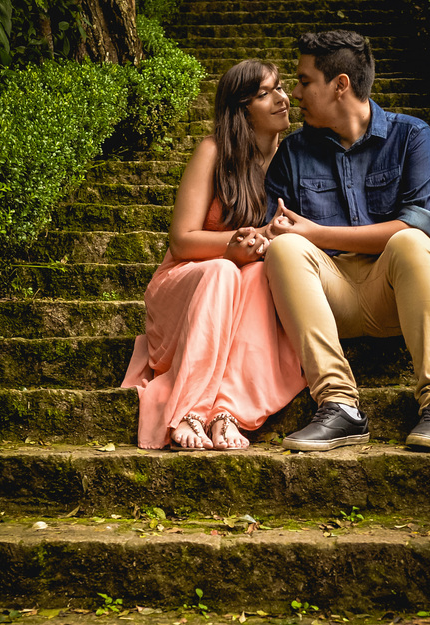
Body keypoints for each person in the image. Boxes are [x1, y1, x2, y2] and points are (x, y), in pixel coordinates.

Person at [262, 29, 430, 452]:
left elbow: (415, 225)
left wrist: (316, 232)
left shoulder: (411, 136)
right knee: (284, 247)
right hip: (326, 295)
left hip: (393, 292)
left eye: (304, 80)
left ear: (340, 85)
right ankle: (338, 406)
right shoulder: (293, 153)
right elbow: (273, 230)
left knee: (412, 241)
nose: (294, 93)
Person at [122, 59, 306, 451]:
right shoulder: (213, 151)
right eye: (265, 93)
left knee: (257, 276)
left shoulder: (294, 160)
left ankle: (227, 412)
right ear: (241, 110)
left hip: (245, 288)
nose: (282, 98)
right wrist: (230, 248)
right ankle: (188, 410)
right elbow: (182, 240)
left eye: (281, 87)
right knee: (224, 271)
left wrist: (267, 240)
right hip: (187, 284)